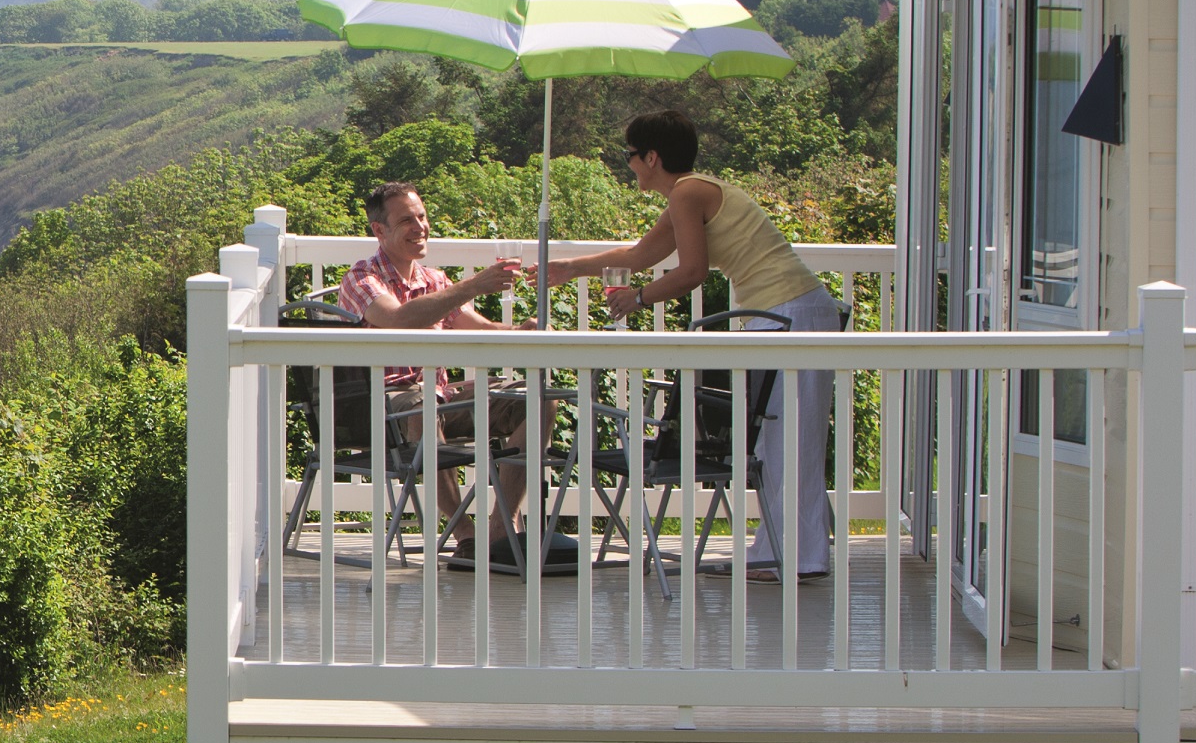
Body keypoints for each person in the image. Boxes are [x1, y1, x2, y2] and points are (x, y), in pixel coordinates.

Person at [542, 109, 837, 581]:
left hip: (792, 313)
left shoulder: (688, 193)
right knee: (778, 438)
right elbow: (640, 255)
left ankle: (797, 559)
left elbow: (692, 272)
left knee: (787, 440)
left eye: (631, 156)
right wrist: (571, 267)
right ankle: (787, 554)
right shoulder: (690, 192)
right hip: (786, 313)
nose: (630, 165)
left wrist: (637, 299)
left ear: (652, 156)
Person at [336, 182, 570, 575]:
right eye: (407, 220)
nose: (420, 226)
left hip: (442, 394)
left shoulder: (436, 280)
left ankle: (501, 524)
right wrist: (474, 284)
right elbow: (398, 319)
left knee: (540, 399)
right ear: (379, 231)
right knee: (424, 408)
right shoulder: (362, 278)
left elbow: (480, 327)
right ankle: (464, 534)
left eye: (422, 216)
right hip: (388, 402)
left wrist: (518, 332)